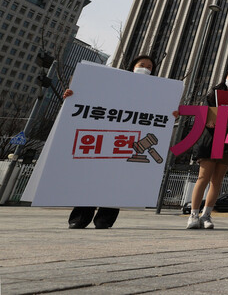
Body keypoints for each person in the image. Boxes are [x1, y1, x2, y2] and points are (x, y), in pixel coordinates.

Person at [66, 54, 159, 229]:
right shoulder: (114, 82)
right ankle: (80, 217)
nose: (145, 68)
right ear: (133, 65)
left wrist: (172, 114)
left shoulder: (155, 90)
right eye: (142, 64)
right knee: (94, 175)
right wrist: (73, 95)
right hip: (106, 135)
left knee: (117, 179)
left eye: (150, 67)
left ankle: (104, 219)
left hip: (130, 139)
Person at [186, 68, 228, 229]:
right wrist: (209, 121)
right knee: (203, 178)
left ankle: (206, 215)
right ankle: (193, 214)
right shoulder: (212, 96)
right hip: (211, 141)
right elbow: (205, 116)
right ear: (224, 78)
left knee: (217, 181)